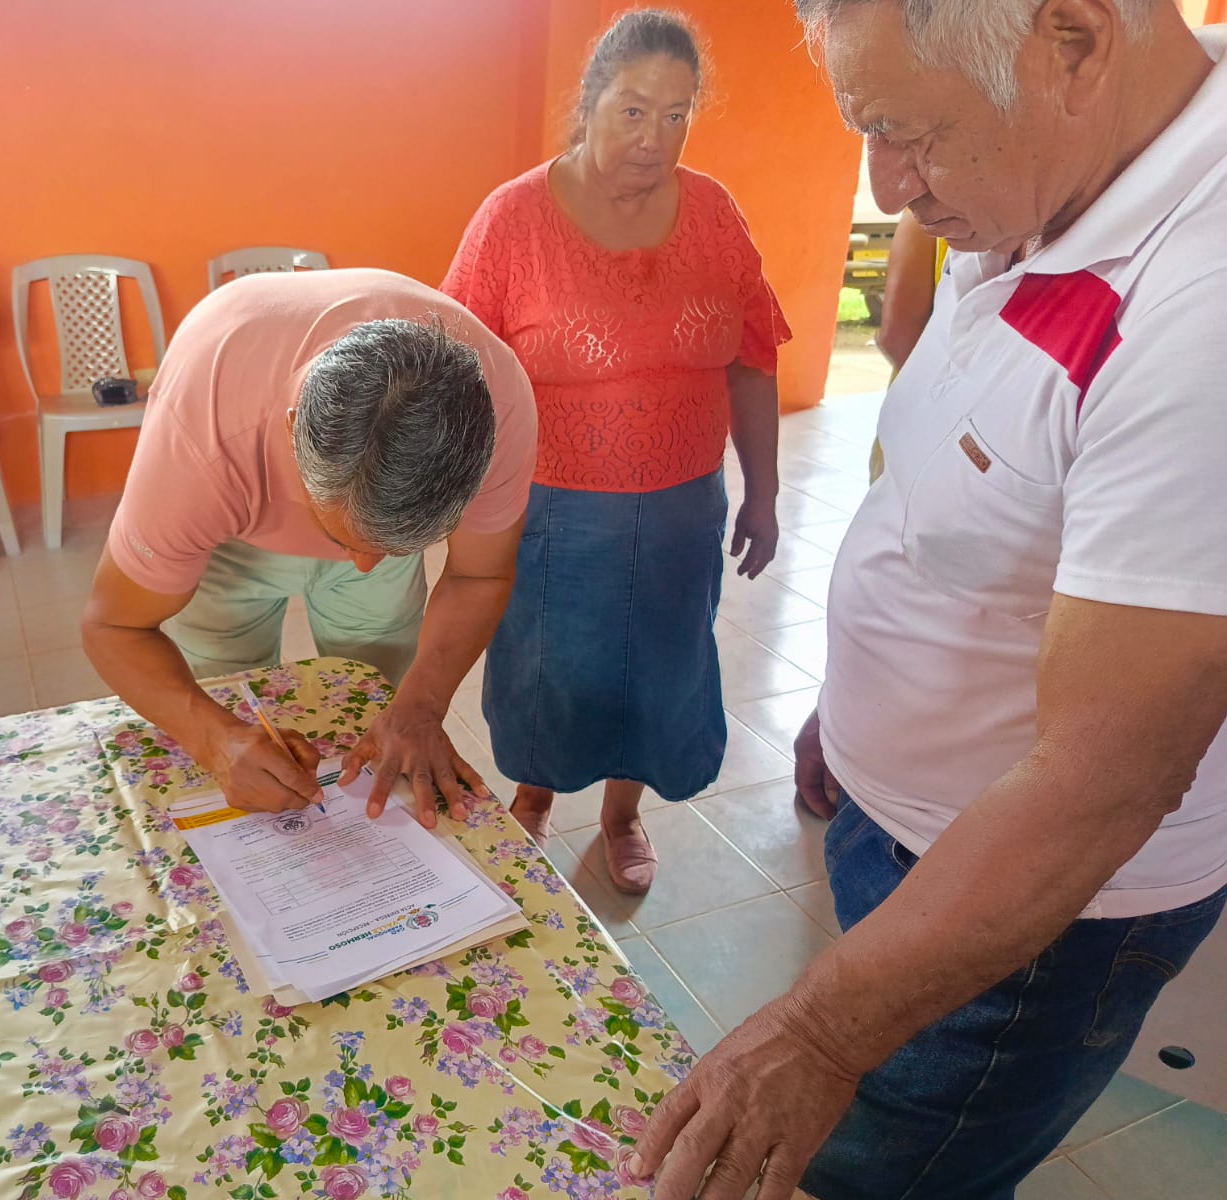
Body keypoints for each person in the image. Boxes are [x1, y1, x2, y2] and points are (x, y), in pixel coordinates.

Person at [632, 3, 1227, 1198]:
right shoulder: (1048, 172)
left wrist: (818, 1033)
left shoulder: (1198, 317)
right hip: (905, 816)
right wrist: (856, 705)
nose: (886, 187)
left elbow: (1102, 779)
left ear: (1072, 44)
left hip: (1041, 913)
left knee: (885, 1176)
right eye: (867, 129)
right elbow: (951, 482)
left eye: (909, 134)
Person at [441, 9, 789, 893]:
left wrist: (763, 491)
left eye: (677, 114)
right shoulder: (513, 218)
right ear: (591, 100)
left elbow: (753, 358)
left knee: (659, 667)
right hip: (552, 507)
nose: (654, 137)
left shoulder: (714, 212)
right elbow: (458, 367)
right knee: (548, 666)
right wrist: (458, 503)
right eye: (634, 110)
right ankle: (533, 795)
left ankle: (623, 813)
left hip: (682, 506)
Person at [81, 268, 537, 828]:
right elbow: (113, 626)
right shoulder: (203, 438)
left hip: (298, 483)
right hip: (229, 527)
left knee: (379, 702)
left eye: (403, 546)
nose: (363, 567)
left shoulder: (499, 410)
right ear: (293, 431)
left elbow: (477, 575)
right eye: (341, 539)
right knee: (222, 687)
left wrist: (422, 705)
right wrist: (213, 737)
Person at [867, 208, 947, 480]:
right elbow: (898, 337)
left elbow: (897, 336)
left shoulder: (927, 213)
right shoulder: (926, 217)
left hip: (927, 423)